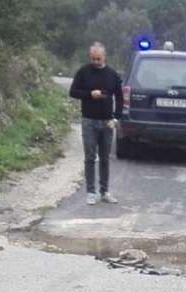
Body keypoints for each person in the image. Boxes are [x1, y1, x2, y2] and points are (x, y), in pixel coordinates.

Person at [69, 43, 123, 206]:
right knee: (90, 157)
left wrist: (116, 118)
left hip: (107, 122)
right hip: (88, 121)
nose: (95, 62)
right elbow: (73, 92)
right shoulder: (83, 72)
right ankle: (91, 192)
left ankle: (105, 191)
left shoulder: (112, 75)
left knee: (105, 158)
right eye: (93, 58)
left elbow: (120, 98)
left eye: (98, 59)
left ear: (104, 56)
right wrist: (90, 94)